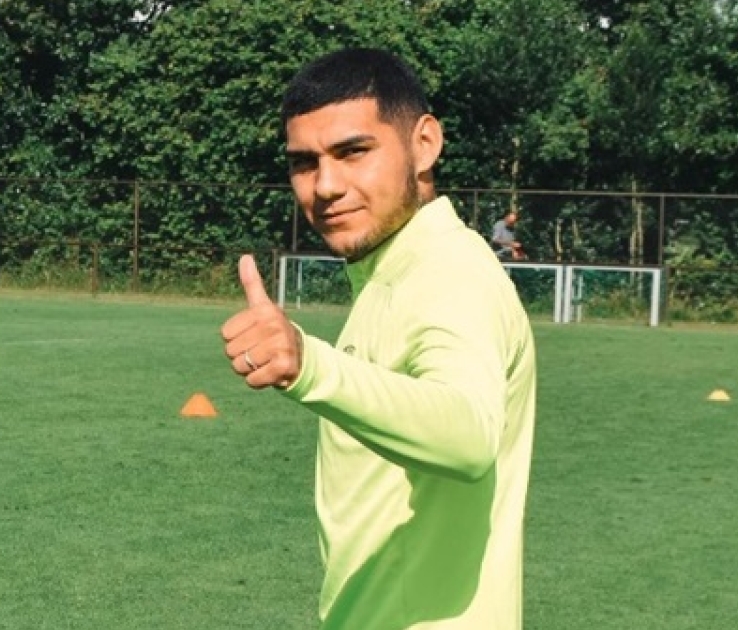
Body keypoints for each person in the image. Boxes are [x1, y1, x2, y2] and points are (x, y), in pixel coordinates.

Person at [220, 48, 536, 629]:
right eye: (304, 163)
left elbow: (469, 435)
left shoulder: (449, 271)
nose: (325, 186)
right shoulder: (392, 275)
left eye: (353, 152)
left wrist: (311, 366)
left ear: (425, 144)